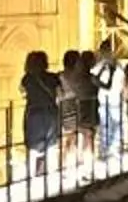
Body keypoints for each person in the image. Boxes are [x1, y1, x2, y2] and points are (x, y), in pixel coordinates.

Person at [21, 50, 63, 183]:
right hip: (51, 113)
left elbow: (22, 93)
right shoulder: (52, 77)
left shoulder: (26, 78)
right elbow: (60, 94)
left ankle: (30, 178)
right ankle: (52, 178)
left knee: (33, 147)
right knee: (51, 145)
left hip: (34, 114)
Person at [64, 46, 100, 177]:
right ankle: (88, 169)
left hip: (73, 108)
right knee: (88, 138)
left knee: (71, 138)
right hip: (89, 106)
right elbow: (104, 85)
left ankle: (69, 169)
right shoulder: (91, 77)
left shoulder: (70, 77)